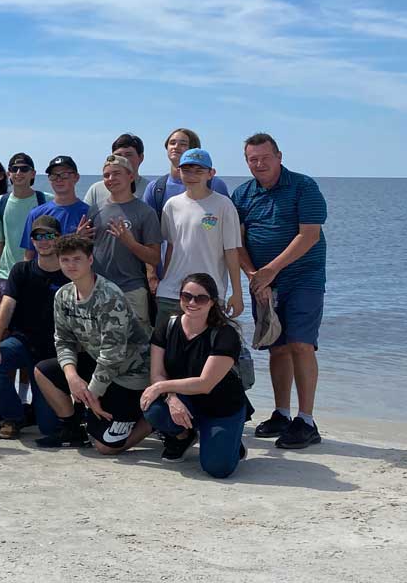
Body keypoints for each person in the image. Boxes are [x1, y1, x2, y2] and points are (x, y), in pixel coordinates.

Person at [232, 132, 327, 450]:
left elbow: (309, 235)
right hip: (263, 283)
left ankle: (307, 420)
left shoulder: (304, 186)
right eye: (252, 159)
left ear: (279, 156)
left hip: (304, 278)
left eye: (264, 157)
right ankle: (282, 413)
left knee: (301, 344)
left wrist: (272, 269)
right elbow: (238, 242)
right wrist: (253, 276)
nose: (259, 163)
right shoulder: (242, 194)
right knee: (276, 346)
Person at [33, 235, 153, 453]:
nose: (71, 265)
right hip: (100, 365)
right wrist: (72, 378)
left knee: (106, 447)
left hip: (131, 373)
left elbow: (113, 355)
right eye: (65, 260)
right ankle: (72, 429)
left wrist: (91, 394)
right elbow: (63, 340)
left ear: (90, 260)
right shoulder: (63, 296)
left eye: (77, 259)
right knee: (43, 370)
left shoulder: (109, 296)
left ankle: (152, 419)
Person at [141, 273, 254, 477]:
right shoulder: (167, 325)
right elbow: (157, 373)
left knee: (217, 469)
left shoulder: (225, 334)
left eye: (200, 298)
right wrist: (171, 398)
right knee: (154, 410)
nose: (192, 302)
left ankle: (230, 442)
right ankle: (184, 436)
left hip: (221, 406)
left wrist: (161, 387)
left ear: (212, 302)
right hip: (185, 401)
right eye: (186, 296)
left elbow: (205, 384)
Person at [0, 215, 69, 439]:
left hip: (53, 354)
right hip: (23, 343)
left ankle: (43, 411)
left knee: (49, 428)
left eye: (49, 235)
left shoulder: (70, 274)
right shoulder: (21, 270)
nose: (44, 241)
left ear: (59, 238)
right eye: (38, 236)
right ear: (31, 240)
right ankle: (13, 416)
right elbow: (6, 307)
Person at [157, 149, 243, 322]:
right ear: (178, 172)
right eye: (186, 170)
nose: (192, 175)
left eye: (199, 171)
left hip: (207, 294)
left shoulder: (224, 205)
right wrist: (162, 280)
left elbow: (231, 252)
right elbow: (170, 247)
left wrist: (237, 293)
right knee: (165, 347)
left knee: (205, 347)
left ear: (211, 174)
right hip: (170, 293)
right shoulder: (171, 205)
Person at [88, 154, 162, 326]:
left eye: (116, 173)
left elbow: (154, 258)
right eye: (106, 175)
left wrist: (131, 243)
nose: (110, 179)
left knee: (136, 346)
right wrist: (79, 239)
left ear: (130, 176)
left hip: (131, 289)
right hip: (97, 288)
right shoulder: (94, 210)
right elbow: (85, 253)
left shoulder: (145, 212)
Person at [0, 152, 48, 300]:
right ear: (9, 173)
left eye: (24, 169)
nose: (19, 173)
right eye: (14, 169)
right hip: (6, 275)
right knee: (4, 321)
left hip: (39, 273)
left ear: (33, 174)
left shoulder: (46, 200)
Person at [142, 128, 231, 217]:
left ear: (194, 150)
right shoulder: (155, 188)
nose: (176, 147)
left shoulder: (214, 184)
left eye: (183, 144)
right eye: (172, 143)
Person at [19, 155, 92, 261]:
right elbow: (29, 253)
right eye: (54, 175)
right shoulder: (36, 214)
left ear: (76, 177)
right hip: (42, 275)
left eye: (64, 175)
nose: (59, 179)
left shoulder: (88, 213)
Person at [84, 133, 148, 210]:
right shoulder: (96, 190)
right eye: (118, 155)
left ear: (141, 158)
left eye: (128, 155)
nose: (123, 159)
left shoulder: (150, 189)